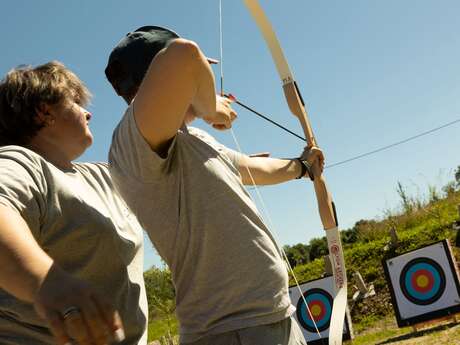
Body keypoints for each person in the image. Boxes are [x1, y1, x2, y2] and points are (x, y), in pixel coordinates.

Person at [105, 26, 324, 345]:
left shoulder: (193, 140)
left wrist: (303, 167)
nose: (202, 79)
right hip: (229, 330)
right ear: (155, 76)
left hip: (272, 315)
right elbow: (185, 55)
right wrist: (211, 107)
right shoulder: (132, 142)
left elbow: (252, 168)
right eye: (201, 74)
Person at [0, 61, 147, 345]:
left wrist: (194, 99)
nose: (88, 113)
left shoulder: (104, 175)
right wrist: (46, 280)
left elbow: (161, 151)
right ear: (45, 111)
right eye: (76, 102)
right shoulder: (19, 163)